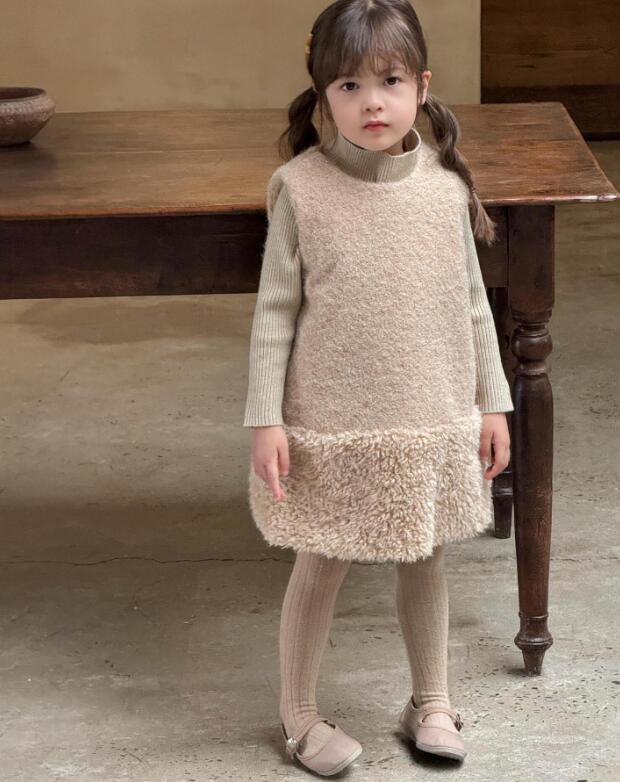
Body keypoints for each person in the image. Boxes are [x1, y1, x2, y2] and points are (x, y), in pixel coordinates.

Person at [243, 0, 513, 775]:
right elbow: (274, 311)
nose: (372, 102)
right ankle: (299, 715)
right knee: (321, 559)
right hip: (331, 420)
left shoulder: (445, 189)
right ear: (323, 96)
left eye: (390, 81)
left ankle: (432, 700)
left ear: (421, 86)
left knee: (424, 554)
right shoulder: (301, 189)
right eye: (349, 85)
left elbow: (473, 305)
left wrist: (493, 402)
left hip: (430, 413)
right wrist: (265, 418)